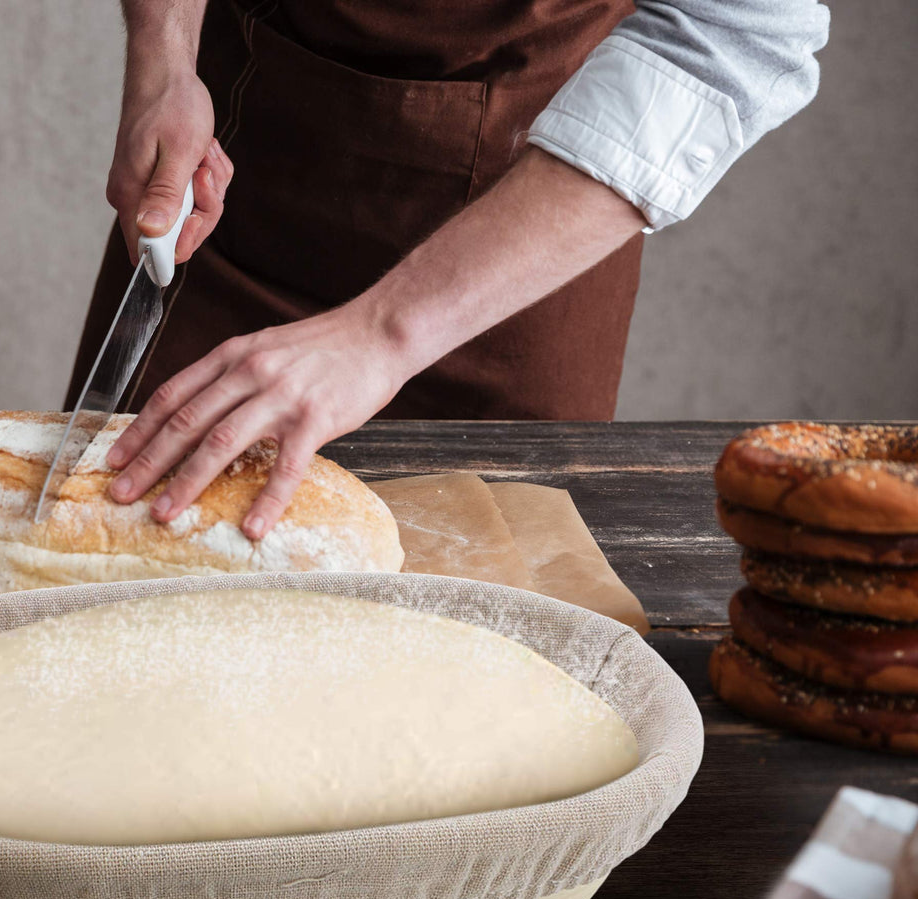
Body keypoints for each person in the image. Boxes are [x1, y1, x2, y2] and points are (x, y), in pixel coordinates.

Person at [68, 0, 829, 540]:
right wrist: (163, 61)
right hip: (244, 168)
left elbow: (739, 32)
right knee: (100, 547)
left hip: (522, 231)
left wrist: (382, 333)